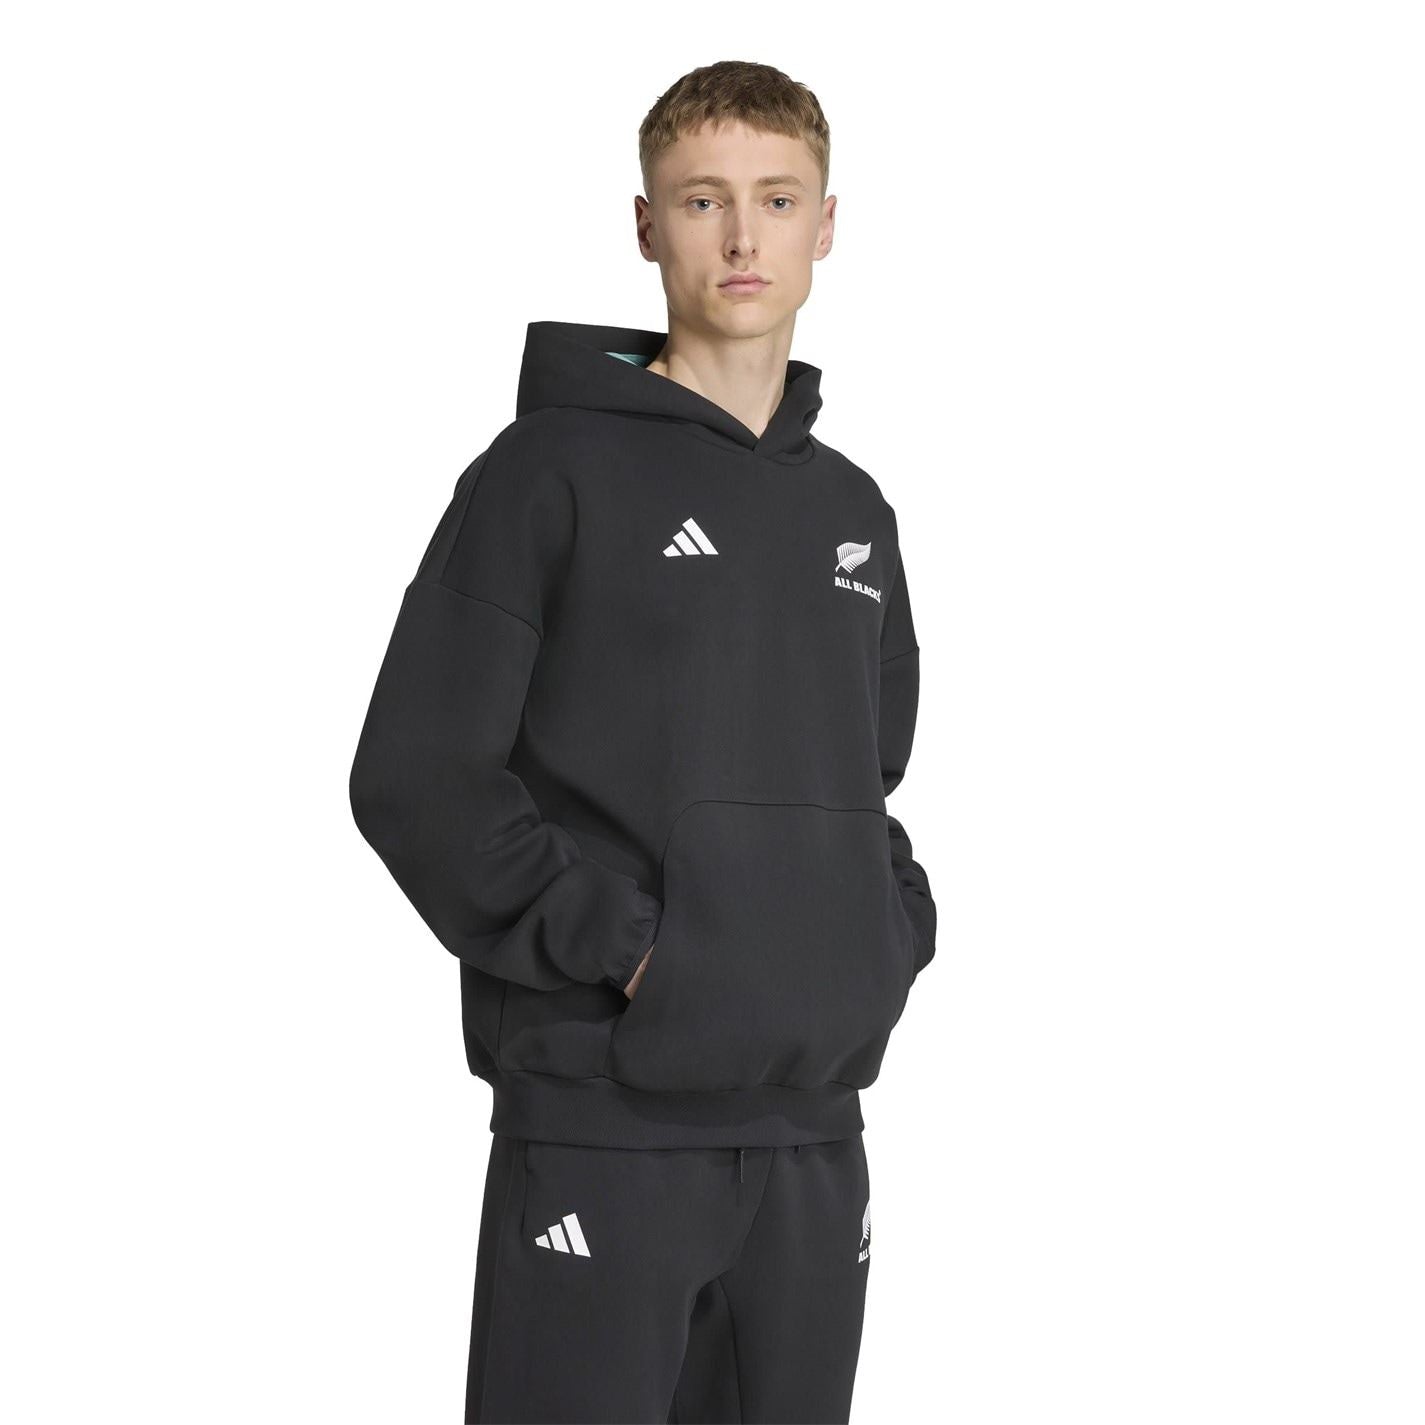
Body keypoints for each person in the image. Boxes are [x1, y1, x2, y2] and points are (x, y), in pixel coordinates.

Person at [348, 58, 937, 1424]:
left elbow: (868, 780)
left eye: (775, 199)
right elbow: (418, 776)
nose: (740, 238)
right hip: (604, 1122)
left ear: (826, 226)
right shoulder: (542, 474)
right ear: (645, 225)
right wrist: (629, 947)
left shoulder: (855, 513)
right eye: (701, 200)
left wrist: (876, 935)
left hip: (812, 1133)